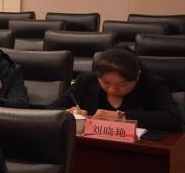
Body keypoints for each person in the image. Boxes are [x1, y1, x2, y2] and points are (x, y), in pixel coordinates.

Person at [53, 47, 183, 132]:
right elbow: (51, 109)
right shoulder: (86, 80)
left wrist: (121, 117)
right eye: (105, 82)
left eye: (121, 85)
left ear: (137, 76)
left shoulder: (153, 85)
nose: (112, 89)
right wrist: (68, 114)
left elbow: (174, 119)